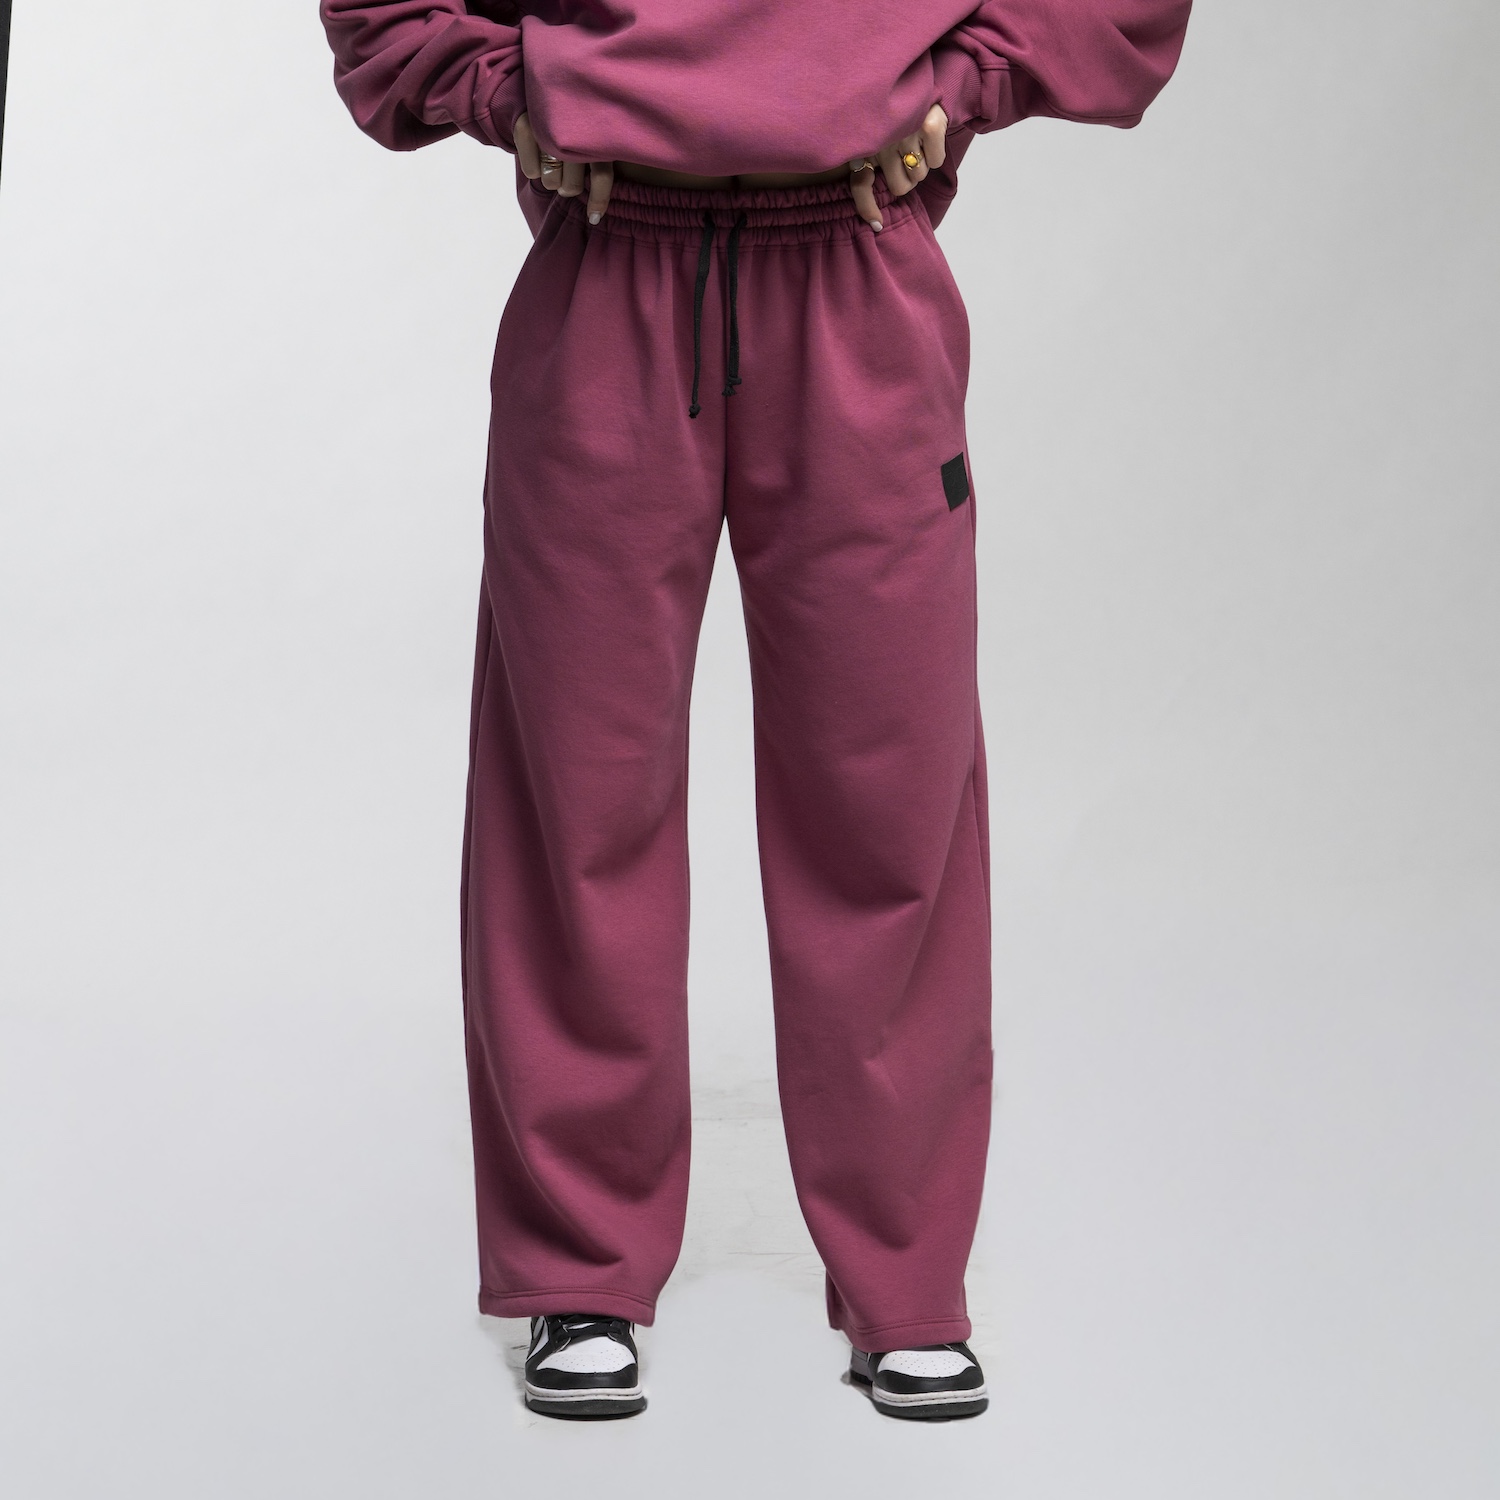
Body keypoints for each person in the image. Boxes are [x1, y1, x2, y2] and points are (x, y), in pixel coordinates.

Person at [318, 0, 1192, 1421]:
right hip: (611, 265)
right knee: (575, 800)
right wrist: (503, 90)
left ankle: (906, 1281)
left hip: (855, 272)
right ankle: (581, 1267)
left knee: (890, 803)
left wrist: (969, 82)